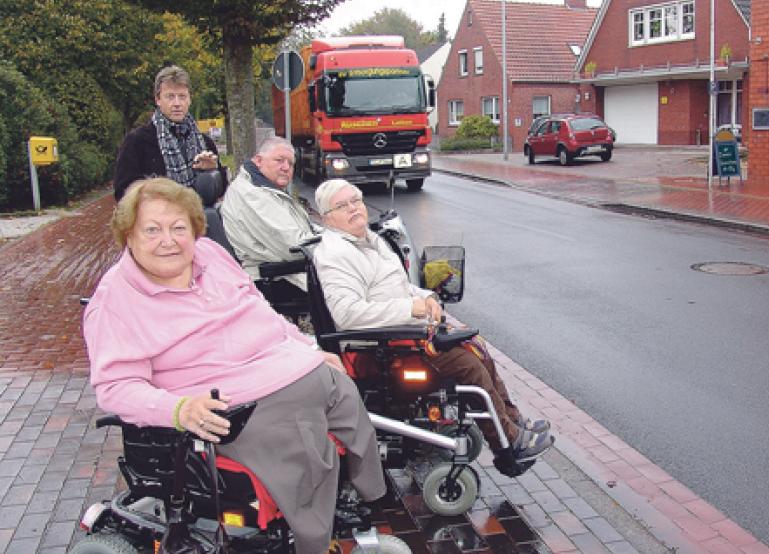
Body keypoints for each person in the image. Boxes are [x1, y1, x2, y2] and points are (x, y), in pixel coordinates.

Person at [83, 178, 385, 554]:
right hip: (238, 404)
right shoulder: (115, 300)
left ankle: (367, 494)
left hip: (289, 367)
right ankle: (313, 540)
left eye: (180, 228)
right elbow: (115, 388)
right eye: (152, 230)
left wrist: (307, 347)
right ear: (128, 236)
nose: (169, 240)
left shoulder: (210, 254)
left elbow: (262, 311)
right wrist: (179, 409)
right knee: (306, 452)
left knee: (346, 394)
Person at [311, 179, 553, 465]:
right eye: (343, 205)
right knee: (468, 367)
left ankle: (512, 423)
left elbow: (399, 286)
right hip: (377, 350)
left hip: (402, 336)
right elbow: (348, 313)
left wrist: (425, 297)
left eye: (356, 201)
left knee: (476, 346)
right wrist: (410, 309)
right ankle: (509, 447)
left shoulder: (369, 240)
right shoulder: (336, 254)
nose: (353, 209)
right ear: (328, 217)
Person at [221, 136, 320, 296]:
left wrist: (337, 237)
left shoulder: (266, 189)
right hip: (277, 277)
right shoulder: (252, 195)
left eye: (291, 163)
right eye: (279, 160)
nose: (286, 167)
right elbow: (293, 247)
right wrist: (335, 248)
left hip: (291, 269)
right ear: (258, 161)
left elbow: (306, 229)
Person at [112, 65, 223, 201]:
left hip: (196, 219)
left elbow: (222, 189)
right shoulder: (138, 141)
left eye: (182, 96)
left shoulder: (205, 143)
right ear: (158, 99)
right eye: (170, 96)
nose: (177, 103)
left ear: (190, 99)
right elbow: (122, 192)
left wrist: (212, 171)